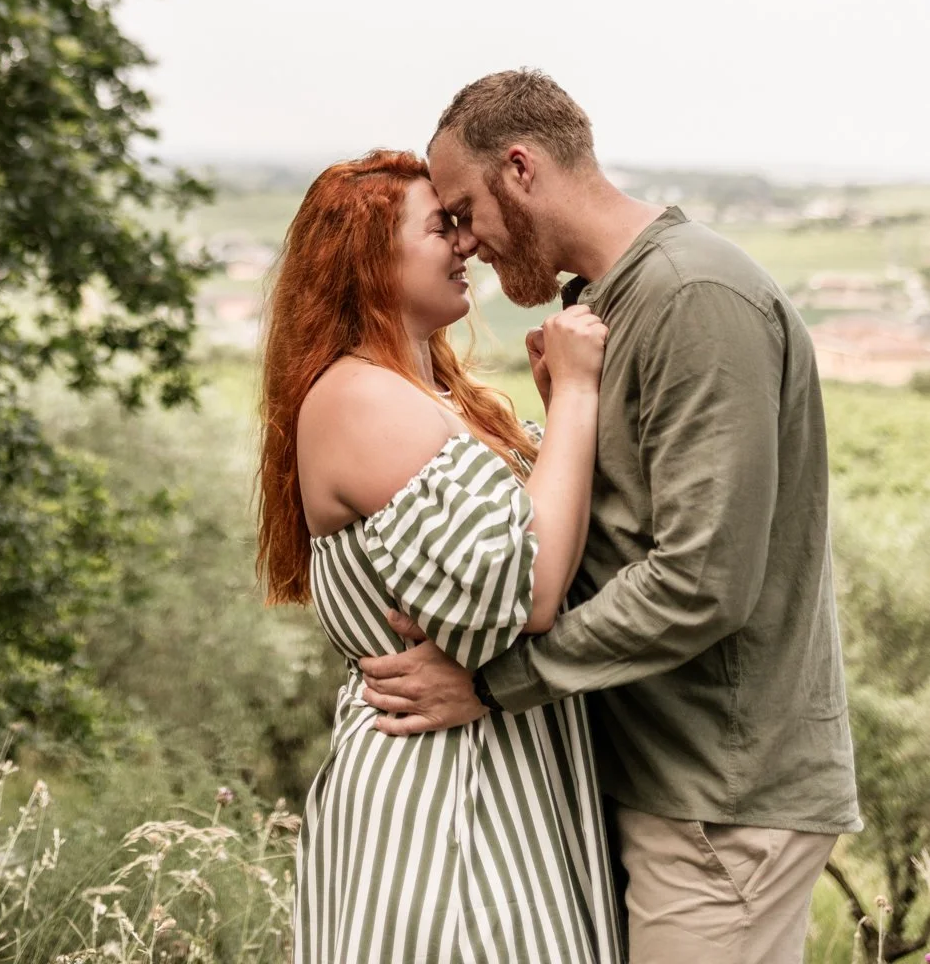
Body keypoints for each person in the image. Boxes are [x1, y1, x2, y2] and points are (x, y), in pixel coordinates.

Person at [358, 70, 860, 964]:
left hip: (720, 801)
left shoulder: (694, 298)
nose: (464, 241)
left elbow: (701, 582)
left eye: (465, 209)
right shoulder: (602, 305)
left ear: (519, 167)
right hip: (664, 782)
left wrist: (486, 686)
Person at [257, 149, 625, 964]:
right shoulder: (358, 396)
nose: (464, 243)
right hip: (443, 794)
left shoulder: (426, 395)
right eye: (440, 226)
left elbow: (534, 523)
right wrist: (576, 397)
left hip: (495, 764)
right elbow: (527, 590)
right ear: (369, 260)